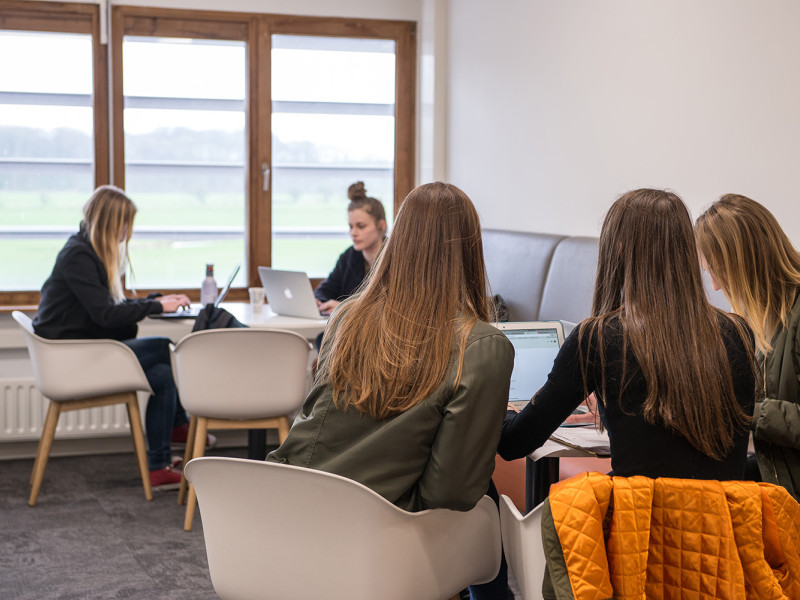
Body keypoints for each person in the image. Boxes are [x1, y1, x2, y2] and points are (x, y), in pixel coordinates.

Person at [268, 181, 515, 599]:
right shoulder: (483, 346)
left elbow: (312, 427)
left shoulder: (347, 319)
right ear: (471, 251)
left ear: (395, 238)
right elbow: (450, 493)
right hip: (385, 544)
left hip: (295, 516)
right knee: (484, 492)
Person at [499, 189, 757, 484]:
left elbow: (514, 443)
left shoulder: (597, 339)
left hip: (641, 522)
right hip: (722, 523)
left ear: (618, 251)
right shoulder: (739, 332)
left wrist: (500, 408)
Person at [33, 185, 192, 490]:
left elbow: (107, 307)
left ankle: (159, 464)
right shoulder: (78, 256)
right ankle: (180, 425)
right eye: (126, 224)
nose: (127, 232)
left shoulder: (85, 250)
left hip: (79, 350)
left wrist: (156, 300)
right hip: (69, 360)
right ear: (112, 222)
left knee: (161, 376)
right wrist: (157, 306)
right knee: (163, 347)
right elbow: (106, 315)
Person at [695, 194, 800, 500]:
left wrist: (744, 412)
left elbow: (754, 411)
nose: (714, 286)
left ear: (745, 263)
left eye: (717, 271)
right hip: (774, 471)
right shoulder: (763, 318)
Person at [314, 181, 387, 316]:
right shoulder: (349, 256)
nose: (353, 233)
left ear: (381, 226)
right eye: (350, 226)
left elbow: (390, 307)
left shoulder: (396, 258)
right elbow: (326, 289)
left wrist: (345, 307)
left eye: (361, 226)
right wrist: (317, 301)